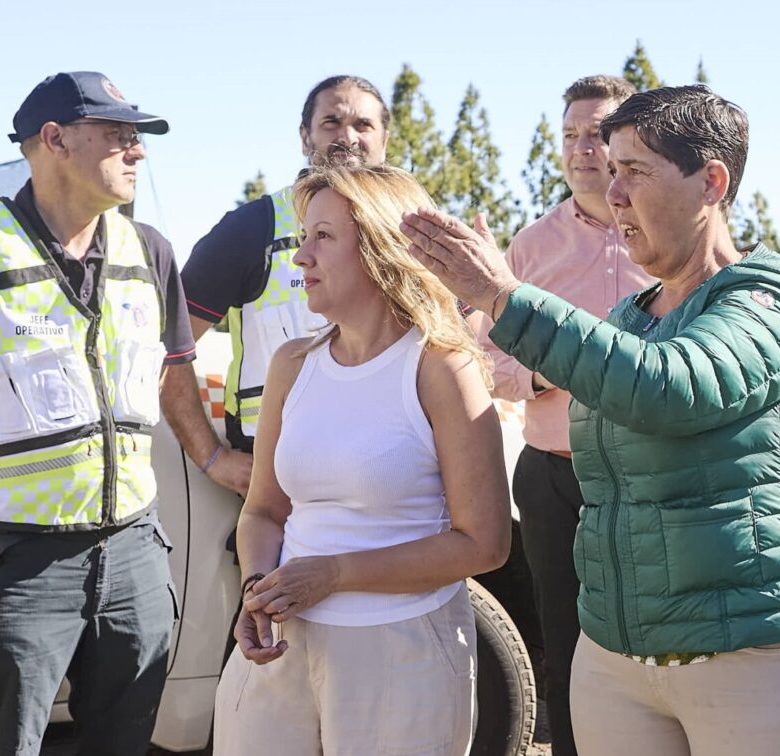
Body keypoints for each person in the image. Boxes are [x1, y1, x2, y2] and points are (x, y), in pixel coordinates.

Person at [403, 84, 780, 756]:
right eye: (611, 171)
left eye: (636, 172)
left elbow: (671, 390)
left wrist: (504, 296)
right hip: (620, 661)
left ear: (712, 182)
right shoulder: (628, 318)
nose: (613, 192)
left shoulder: (772, 295)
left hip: (759, 656)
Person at [0, 71, 198, 756]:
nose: (136, 151)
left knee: (126, 739)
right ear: (55, 139)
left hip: (135, 551)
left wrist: (220, 455)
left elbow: (176, 379)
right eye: (118, 136)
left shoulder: (153, 254)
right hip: (17, 561)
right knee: (5, 743)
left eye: (136, 138)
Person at [212, 165, 511, 755]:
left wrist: (334, 573)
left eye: (322, 237)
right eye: (303, 237)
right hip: (280, 650)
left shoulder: (441, 368)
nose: (301, 257)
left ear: (380, 248)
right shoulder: (291, 365)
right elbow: (264, 512)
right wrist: (255, 588)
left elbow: (485, 544)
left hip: (402, 653)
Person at [475, 73, 649, 756]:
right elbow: (489, 360)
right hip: (551, 479)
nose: (583, 149)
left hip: (646, 480)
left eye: (598, 134)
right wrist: (552, 366)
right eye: (571, 135)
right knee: (568, 644)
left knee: (645, 642)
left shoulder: (672, 236)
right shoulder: (529, 249)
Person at [176, 75, 391, 499]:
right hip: (283, 496)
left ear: (385, 137)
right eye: (331, 122)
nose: (347, 136)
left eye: (363, 125)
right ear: (304, 136)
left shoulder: (415, 229)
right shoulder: (252, 229)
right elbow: (165, 349)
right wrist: (212, 458)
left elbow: (461, 343)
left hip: (397, 481)